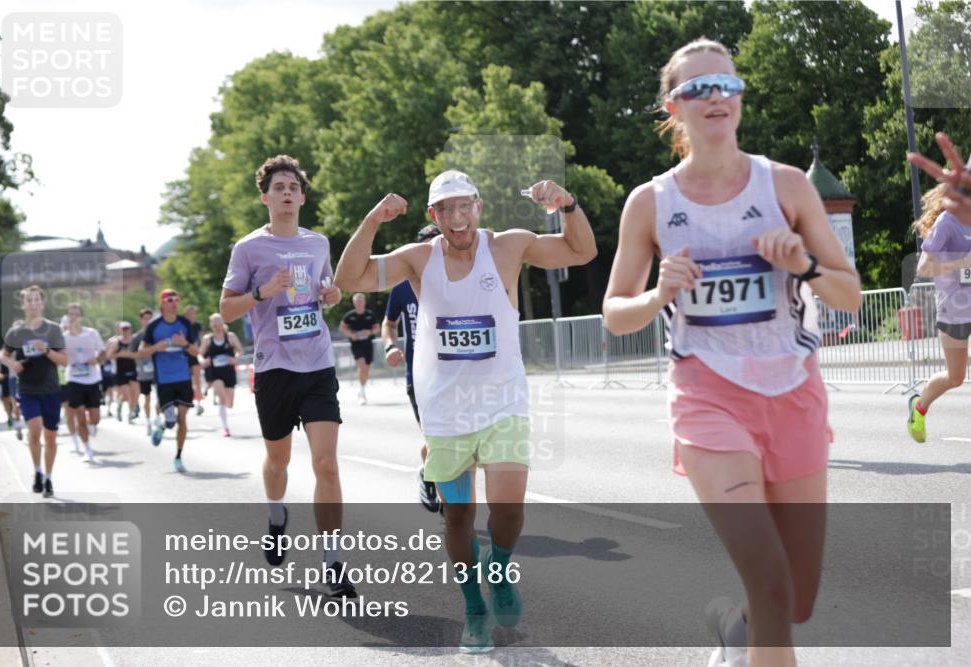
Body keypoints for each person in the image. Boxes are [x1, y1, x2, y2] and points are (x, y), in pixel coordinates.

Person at [601, 39, 861, 667]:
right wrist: (660, 291)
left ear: (740, 96)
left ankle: (734, 628)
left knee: (795, 600)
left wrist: (801, 264)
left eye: (726, 84)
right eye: (697, 88)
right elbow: (614, 313)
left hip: (793, 393)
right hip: (708, 396)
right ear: (674, 106)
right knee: (771, 584)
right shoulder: (651, 202)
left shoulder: (787, 186)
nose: (714, 96)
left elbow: (849, 295)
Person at [336, 169, 597, 653]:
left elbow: (582, 251)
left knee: (509, 509)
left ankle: (498, 569)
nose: (457, 218)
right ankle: (473, 609)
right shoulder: (419, 259)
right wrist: (374, 218)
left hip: (503, 402)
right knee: (458, 516)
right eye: (446, 210)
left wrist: (568, 205)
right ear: (434, 216)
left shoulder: (509, 247)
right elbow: (349, 277)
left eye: (465, 206)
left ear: (478, 205)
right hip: (445, 411)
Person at [219, 155, 351, 596]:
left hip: (316, 364)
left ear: (303, 196)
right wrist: (261, 292)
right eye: (279, 187)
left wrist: (332, 294)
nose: (288, 192)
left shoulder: (319, 244)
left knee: (326, 464)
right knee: (279, 461)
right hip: (274, 368)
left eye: (294, 186)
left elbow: (326, 290)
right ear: (266, 197)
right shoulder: (248, 249)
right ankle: (277, 515)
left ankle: (333, 561)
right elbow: (226, 308)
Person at [383, 224, 443, 512]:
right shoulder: (403, 285)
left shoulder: (458, 279)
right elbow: (389, 323)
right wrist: (390, 345)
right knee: (439, 440)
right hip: (419, 376)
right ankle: (452, 511)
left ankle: (427, 472)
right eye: (427, 246)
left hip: (456, 374)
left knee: (453, 443)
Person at [906, 177, 971, 441]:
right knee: (956, 377)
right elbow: (923, 268)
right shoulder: (947, 222)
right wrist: (962, 262)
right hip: (955, 308)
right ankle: (919, 408)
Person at [0, 285, 68, 498]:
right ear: (23, 305)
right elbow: (4, 356)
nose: (33, 304)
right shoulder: (16, 332)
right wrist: (14, 365)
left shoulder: (54, 329)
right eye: (29, 300)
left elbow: (65, 359)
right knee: (35, 429)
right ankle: (36, 471)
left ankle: (48, 477)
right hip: (28, 389)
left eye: (37, 300)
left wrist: (46, 351)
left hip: (51, 390)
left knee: (50, 437)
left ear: (42, 304)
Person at [139, 289, 199, 472]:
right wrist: (156, 347)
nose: (174, 303)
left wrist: (185, 344)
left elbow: (196, 352)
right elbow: (142, 351)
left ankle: (178, 457)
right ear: (162, 303)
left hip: (183, 377)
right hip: (164, 379)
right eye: (170, 300)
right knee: (171, 419)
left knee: (182, 418)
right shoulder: (154, 326)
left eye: (177, 299)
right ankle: (163, 424)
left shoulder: (184, 323)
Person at [62, 303, 104, 463]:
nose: (73, 317)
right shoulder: (64, 337)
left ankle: (92, 424)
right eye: (70, 314)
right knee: (79, 416)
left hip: (92, 379)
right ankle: (87, 450)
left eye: (76, 314)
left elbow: (103, 351)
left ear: (81, 317)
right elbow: (59, 355)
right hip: (74, 379)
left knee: (95, 418)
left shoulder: (91, 333)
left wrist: (97, 359)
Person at [199, 313, 244, 437]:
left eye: (219, 324)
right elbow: (199, 354)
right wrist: (203, 361)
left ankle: (224, 407)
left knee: (230, 403)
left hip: (228, 371)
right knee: (222, 397)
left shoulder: (230, 337)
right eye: (214, 325)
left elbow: (240, 351)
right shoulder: (208, 339)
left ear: (223, 323)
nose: (217, 327)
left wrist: (235, 358)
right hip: (214, 373)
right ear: (211, 326)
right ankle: (226, 428)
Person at [339, 293, 379, 405]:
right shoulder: (350, 315)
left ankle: (362, 389)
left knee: (366, 368)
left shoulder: (370, 315)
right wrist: (351, 334)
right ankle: (362, 392)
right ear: (354, 303)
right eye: (357, 302)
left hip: (368, 344)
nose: (359, 304)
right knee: (361, 365)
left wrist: (369, 332)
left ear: (364, 302)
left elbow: (377, 328)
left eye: (361, 301)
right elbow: (342, 327)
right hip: (356, 344)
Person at [107, 321, 140, 424]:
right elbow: (109, 355)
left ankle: (130, 413)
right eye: (123, 329)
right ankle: (120, 405)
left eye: (127, 329)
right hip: (120, 371)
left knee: (135, 392)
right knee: (126, 394)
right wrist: (120, 354)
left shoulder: (135, 341)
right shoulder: (116, 342)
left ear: (131, 330)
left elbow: (139, 354)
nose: (125, 331)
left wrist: (128, 355)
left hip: (133, 369)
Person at [132, 308, 157, 434]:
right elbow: (132, 354)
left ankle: (158, 419)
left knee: (160, 397)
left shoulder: (157, 333)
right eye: (145, 318)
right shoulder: (137, 337)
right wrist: (143, 352)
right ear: (141, 320)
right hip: (143, 371)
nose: (148, 321)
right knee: (147, 398)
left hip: (158, 370)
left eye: (150, 318)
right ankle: (148, 421)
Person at [184, 304, 206, 416]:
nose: (192, 316)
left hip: (195, 355)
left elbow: (201, 340)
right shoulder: (182, 325)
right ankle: (186, 402)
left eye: (194, 314)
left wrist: (201, 353)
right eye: (190, 314)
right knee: (186, 381)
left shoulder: (198, 326)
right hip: (184, 356)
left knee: (197, 381)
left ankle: (198, 404)